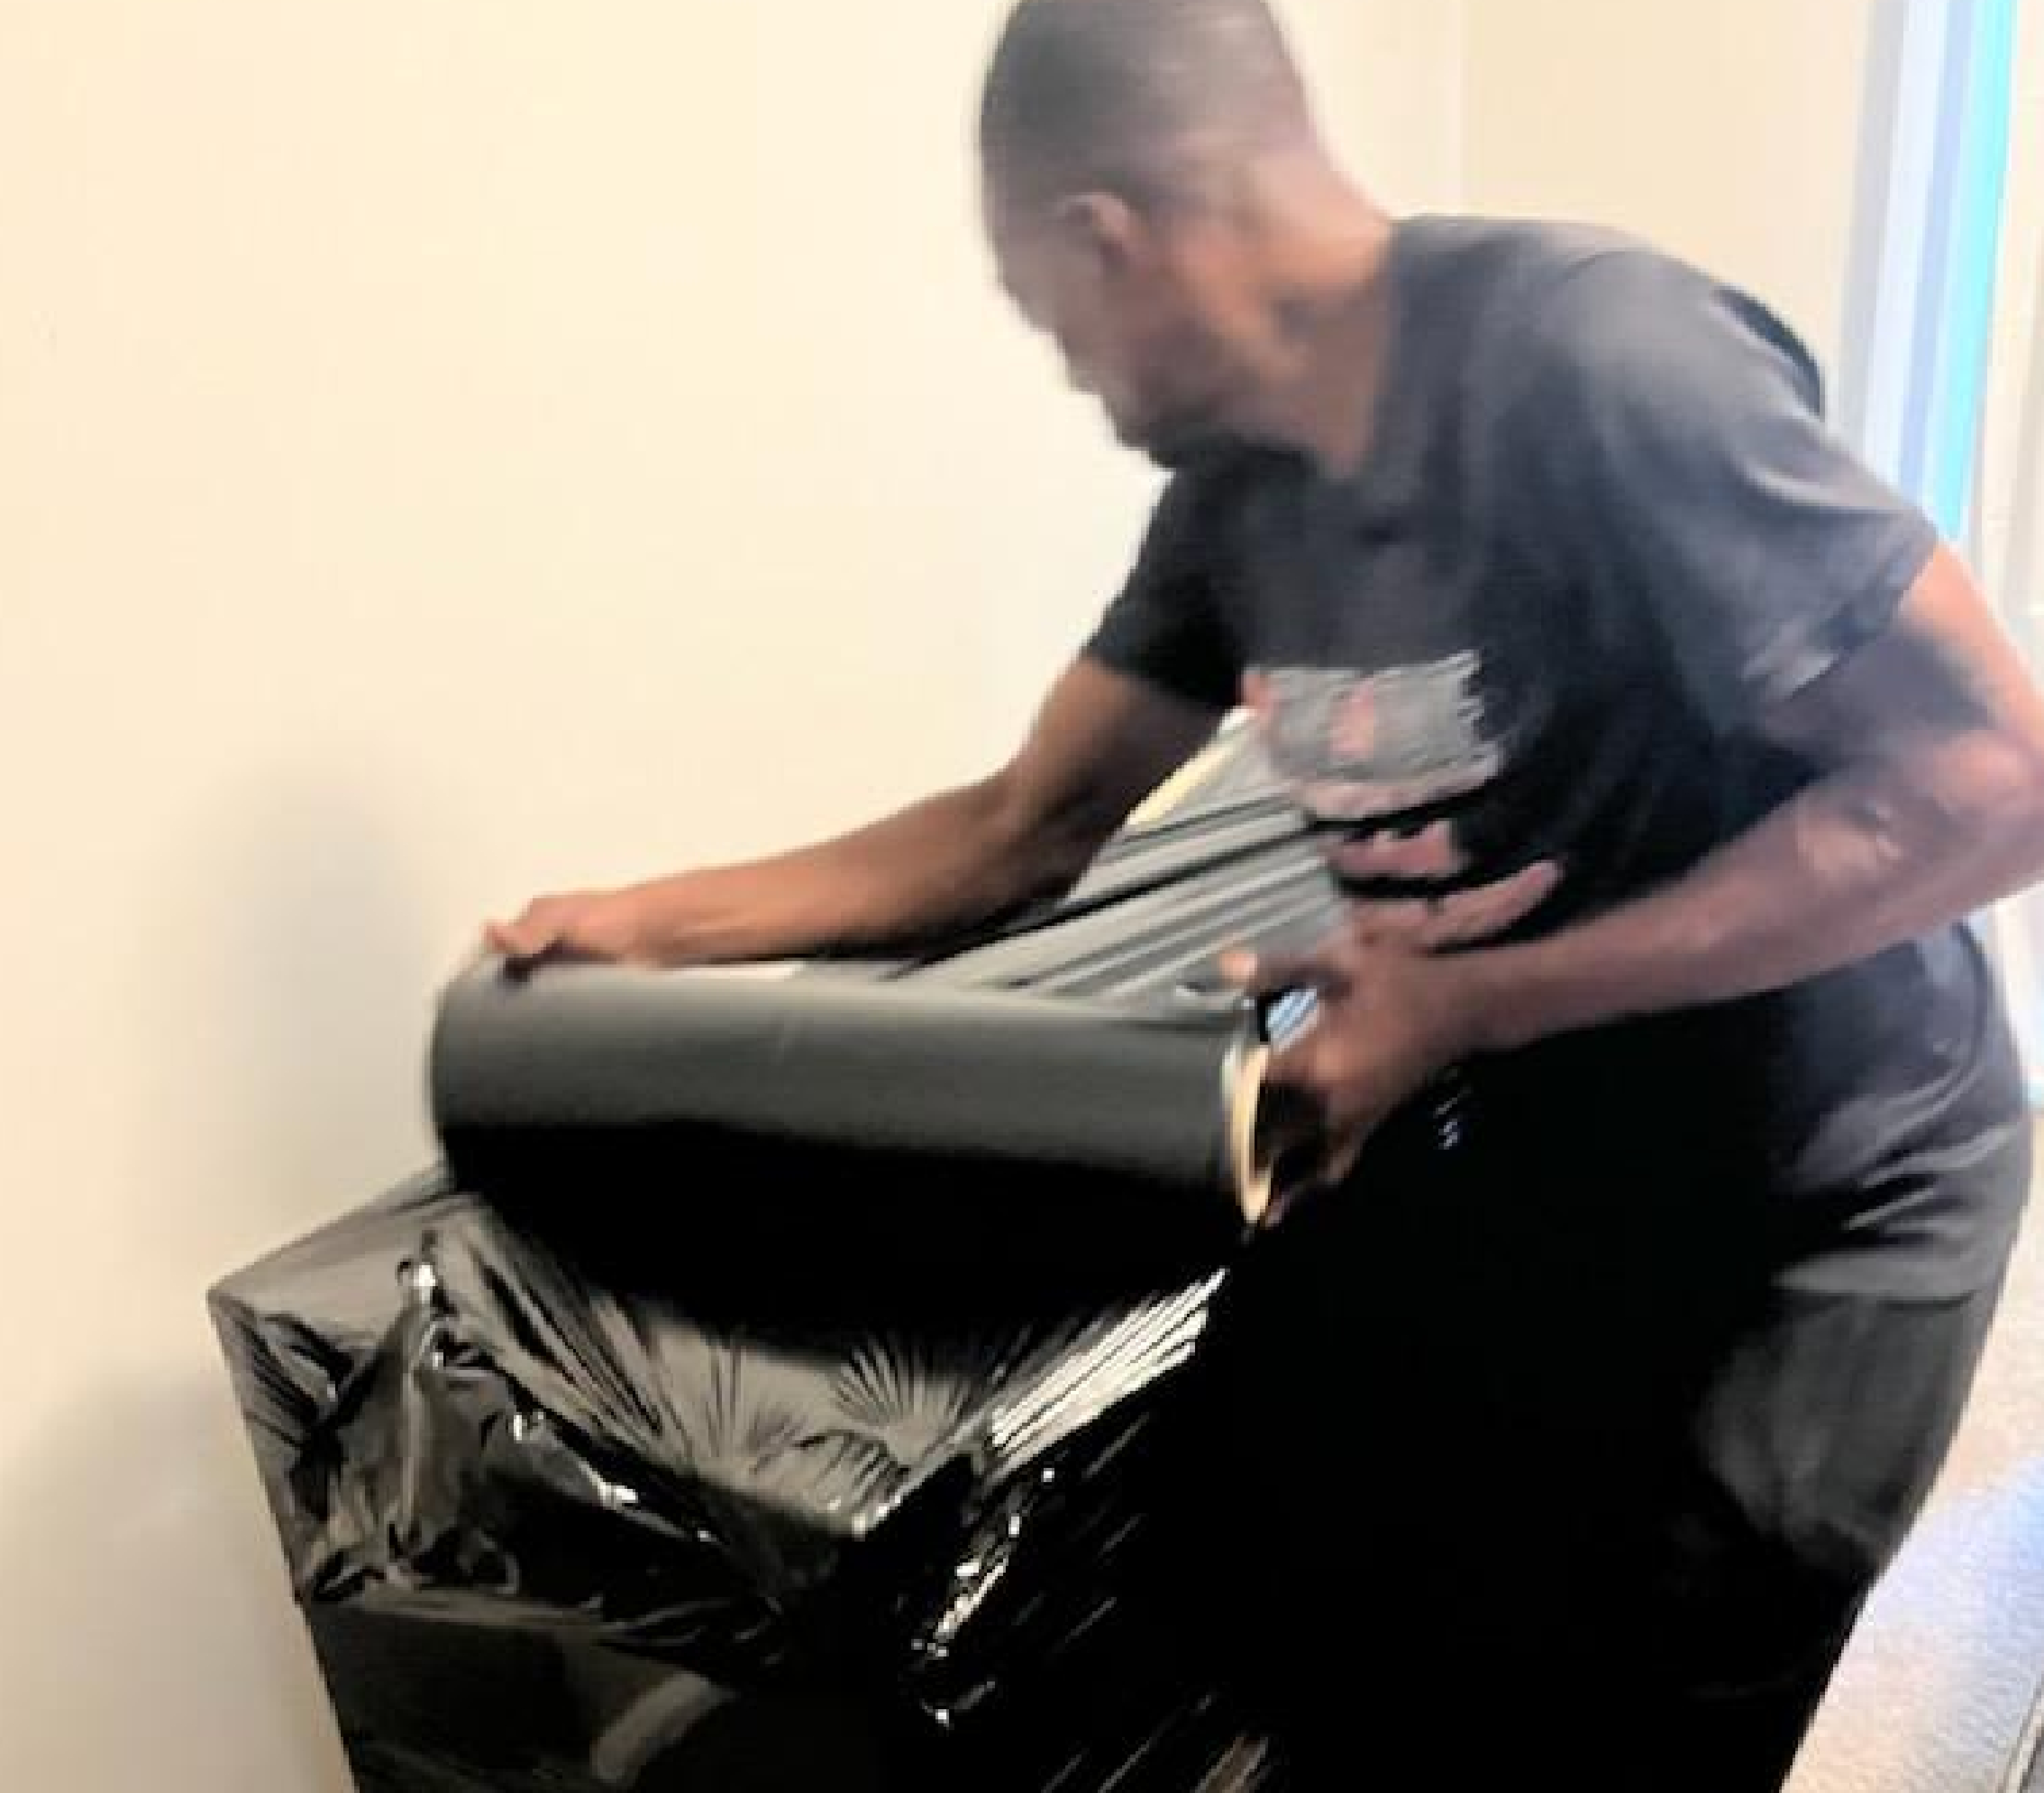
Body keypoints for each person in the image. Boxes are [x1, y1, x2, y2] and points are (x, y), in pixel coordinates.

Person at [487, 0, 2043, 1785]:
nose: (1071, 376)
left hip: (1826, 1194)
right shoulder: (1237, 499)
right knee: (1280, 1518)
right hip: (1552, 1121)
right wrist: (642, 928)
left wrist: (1471, 1002)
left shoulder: (1596, 362)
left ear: (1110, 240)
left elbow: (1993, 784)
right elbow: (1023, 826)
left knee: (1646, 1687)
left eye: (1050, 320)